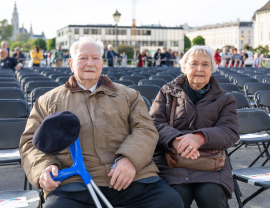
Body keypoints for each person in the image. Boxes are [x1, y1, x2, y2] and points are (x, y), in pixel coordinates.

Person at [19, 37, 183, 208]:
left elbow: (146, 129)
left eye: (95, 58)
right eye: (83, 58)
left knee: (171, 201)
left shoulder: (130, 95)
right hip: (74, 184)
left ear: (102, 63)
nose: (90, 63)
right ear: (71, 63)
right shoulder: (47, 101)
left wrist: (130, 159)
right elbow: (30, 142)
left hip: (133, 178)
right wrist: (44, 167)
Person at [150, 45, 239, 208]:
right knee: (173, 199)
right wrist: (176, 141)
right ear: (184, 67)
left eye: (205, 64)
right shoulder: (167, 92)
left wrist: (200, 138)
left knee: (211, 197)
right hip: (172, 161)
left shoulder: (225, 99)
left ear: (212, 68)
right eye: (194, 63)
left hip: (211, 164)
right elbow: (153, 124)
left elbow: (230, 131)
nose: (200, 68)